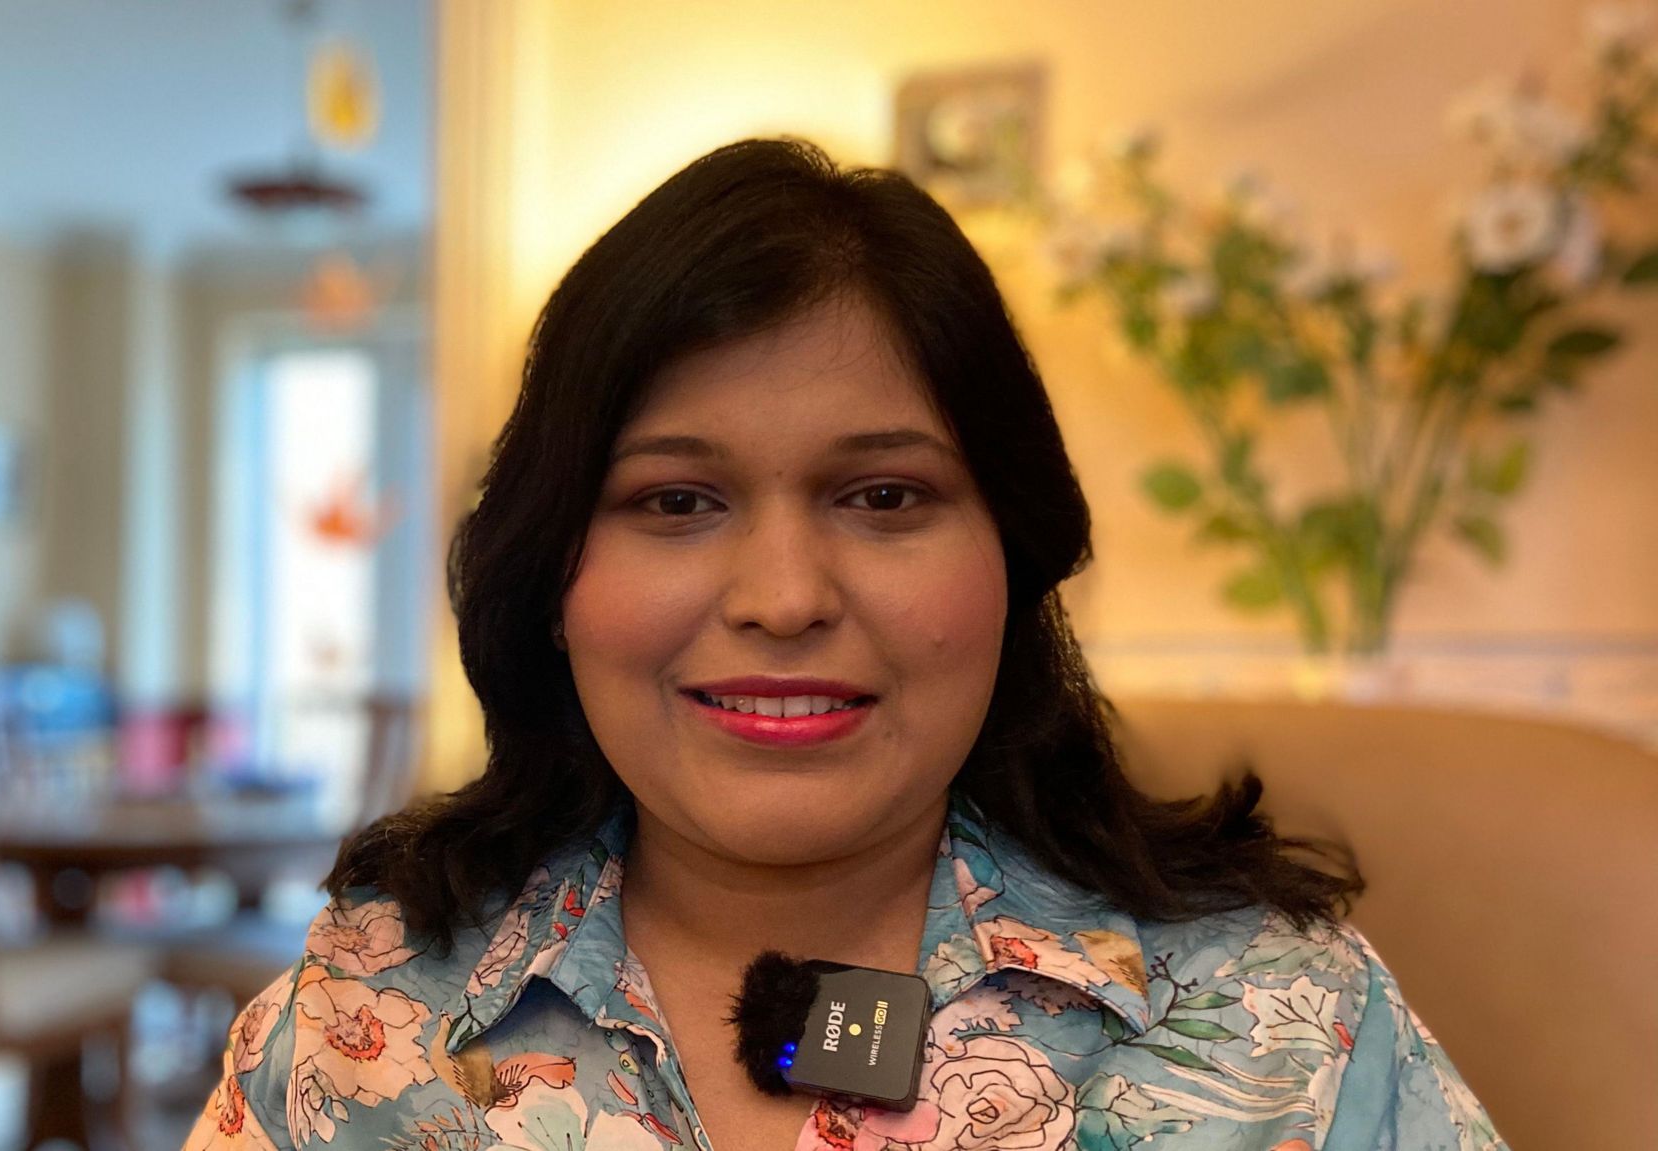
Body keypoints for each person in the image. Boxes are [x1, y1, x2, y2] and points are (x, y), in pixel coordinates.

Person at [187, 138, 1507, 1151]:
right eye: (675, 501)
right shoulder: (355, 1030)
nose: (782, 597)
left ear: (1014, 558)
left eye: (884, 498)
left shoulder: (1285, 1024)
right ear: (552, 577)